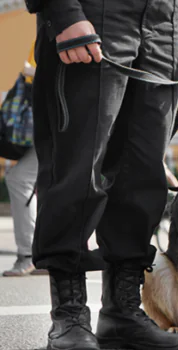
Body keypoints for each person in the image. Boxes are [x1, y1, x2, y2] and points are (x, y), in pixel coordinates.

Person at [24, 0, 178, 349]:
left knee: (142, 174)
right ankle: (69, 316)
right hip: (93, 16)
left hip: (162, 25)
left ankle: (121, 312)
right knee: (77, 172)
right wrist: (64, 12)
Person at [2, 42, 46, 277]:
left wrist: (31, 72)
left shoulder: (63, 24)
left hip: (61, 124)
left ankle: (30, 255)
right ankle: (46, 255)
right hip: (52, 123)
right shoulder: (47, 28)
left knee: (19, 179)